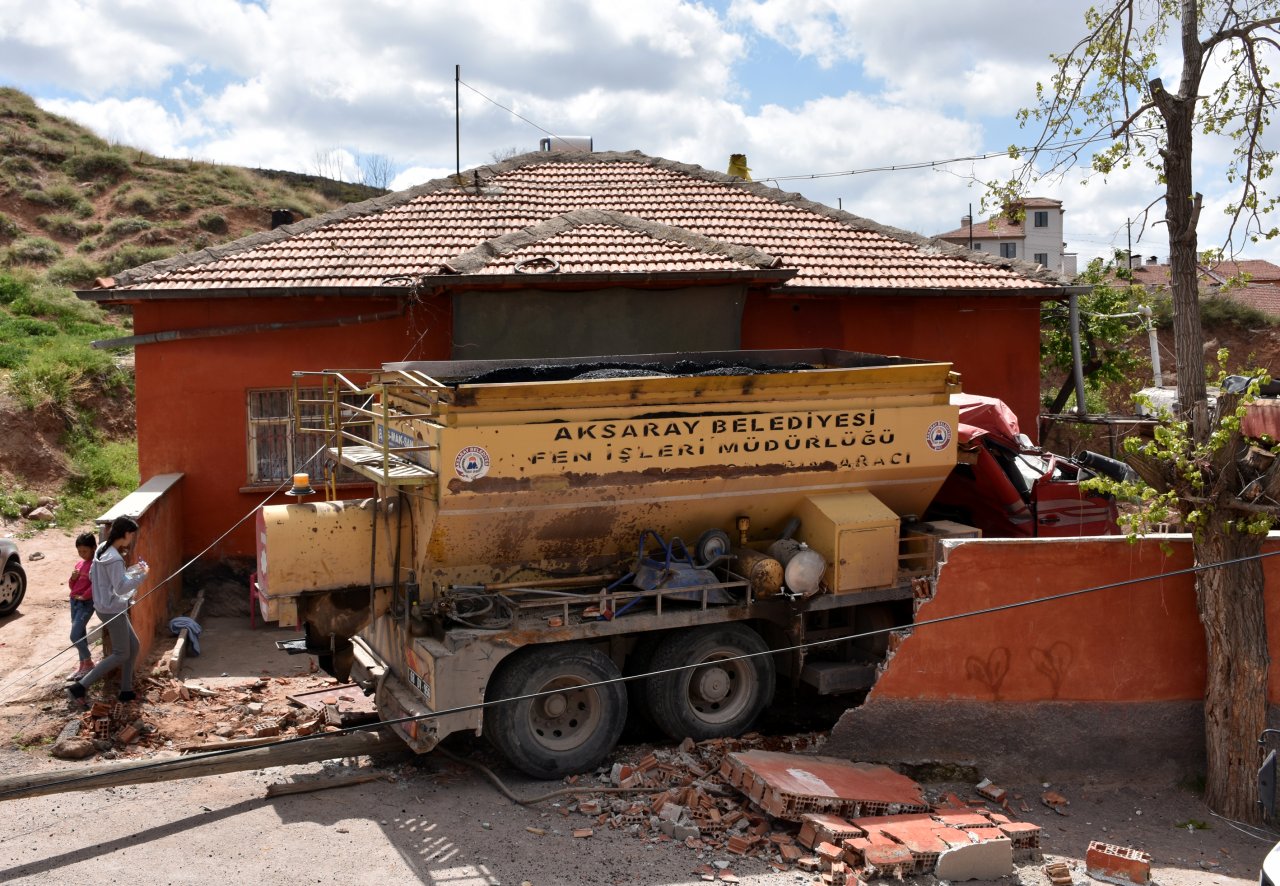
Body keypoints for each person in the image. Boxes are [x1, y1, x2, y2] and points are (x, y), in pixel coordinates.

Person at [66, 516, 148, 711]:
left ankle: (126, 691)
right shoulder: (115, 558)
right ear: (126, 534)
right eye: (131, 535)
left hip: (105, 605)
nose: (131, 539)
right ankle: (79, 688)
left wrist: (126, 576)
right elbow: (120, 588)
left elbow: (98, 577)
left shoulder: (103, 548)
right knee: (121, 653)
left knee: (133, 646)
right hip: (112, 609)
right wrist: (141, 575)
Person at [67, 531, 97, 680]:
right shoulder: (79, 564)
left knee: (74, 635)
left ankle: (89, 662)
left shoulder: (95, 565)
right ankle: (82, 666)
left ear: (93, 547)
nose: (82, 554)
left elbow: (96, 585)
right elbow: (73, 586)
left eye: (85, 551)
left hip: (86, 603)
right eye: (79, 551)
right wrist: (72, 579)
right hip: (74, 601)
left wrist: (84, 596)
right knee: (80, 634)